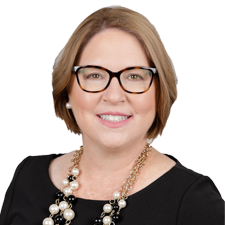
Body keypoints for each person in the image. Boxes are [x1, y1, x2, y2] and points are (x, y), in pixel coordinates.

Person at [0, 6, 224, 225]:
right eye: (95, 75)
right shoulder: (27, 178)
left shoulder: (195, 203)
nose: (114, 95)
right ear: (67, 89)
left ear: (159, 93)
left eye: (134, 76)